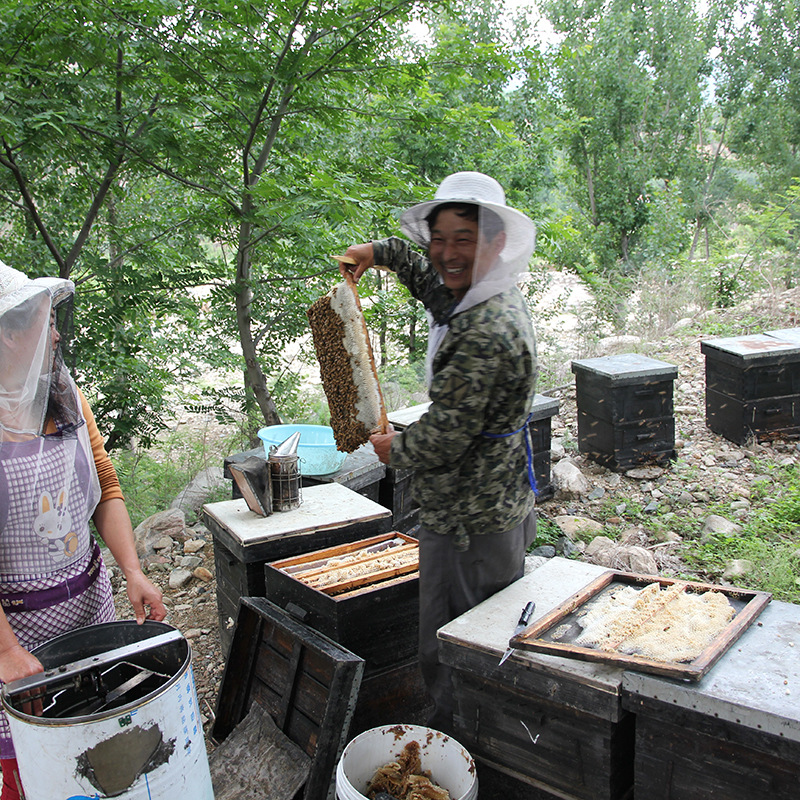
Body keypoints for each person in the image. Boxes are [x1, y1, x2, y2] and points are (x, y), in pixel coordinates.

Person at [342, 171, 538, 731]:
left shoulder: (485, 328)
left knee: (454, 650)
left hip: (468, 525)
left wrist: (396, 448)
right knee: (483, 635)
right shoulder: (476, 289)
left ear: (496, 242)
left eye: (464, 239)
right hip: (495, 507)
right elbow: (429, 277)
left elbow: (446, 436)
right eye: (440, 238)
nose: (448, 253)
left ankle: (460, 749)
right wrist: (379, 252)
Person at [0, 261, 166, 800]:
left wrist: (132, 571)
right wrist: (6, 651)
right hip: (18, 638)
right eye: (44, 323)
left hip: (90, 607)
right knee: (40, 770)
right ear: (7, 335)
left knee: (103, 750)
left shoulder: (64, 395)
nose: (55, 335)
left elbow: (104, 483)